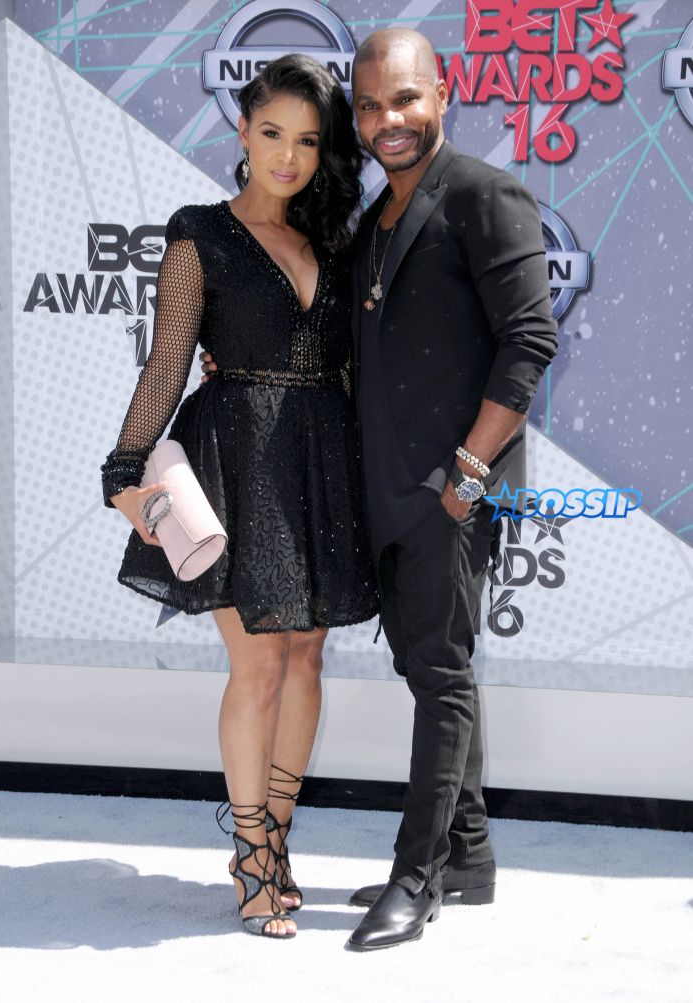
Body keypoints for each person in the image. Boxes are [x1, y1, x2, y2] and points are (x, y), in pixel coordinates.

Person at [204, 28, 559, 951]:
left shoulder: (485, 195)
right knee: (426, 669)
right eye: (366, 108)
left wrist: (469, 472)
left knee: (441, 679)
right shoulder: (375, 219)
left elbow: (531, 342)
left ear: (441, 93)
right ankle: (470, 854)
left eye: (403, 100)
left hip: (453, 489)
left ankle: (419, 877)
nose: (385, 121)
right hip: (386, 494)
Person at [101, 54, 379, 941]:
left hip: (320, 459)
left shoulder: (336, 238)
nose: (289, 157)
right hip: (237, 458)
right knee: (258, 663)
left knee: (307, 660)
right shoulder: (199, 234)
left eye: (307, 141)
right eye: (271, 135)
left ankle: (279, 842)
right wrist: (124, 470)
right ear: (242, 133)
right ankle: (249, 852)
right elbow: (167, 362)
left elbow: (351, 362)